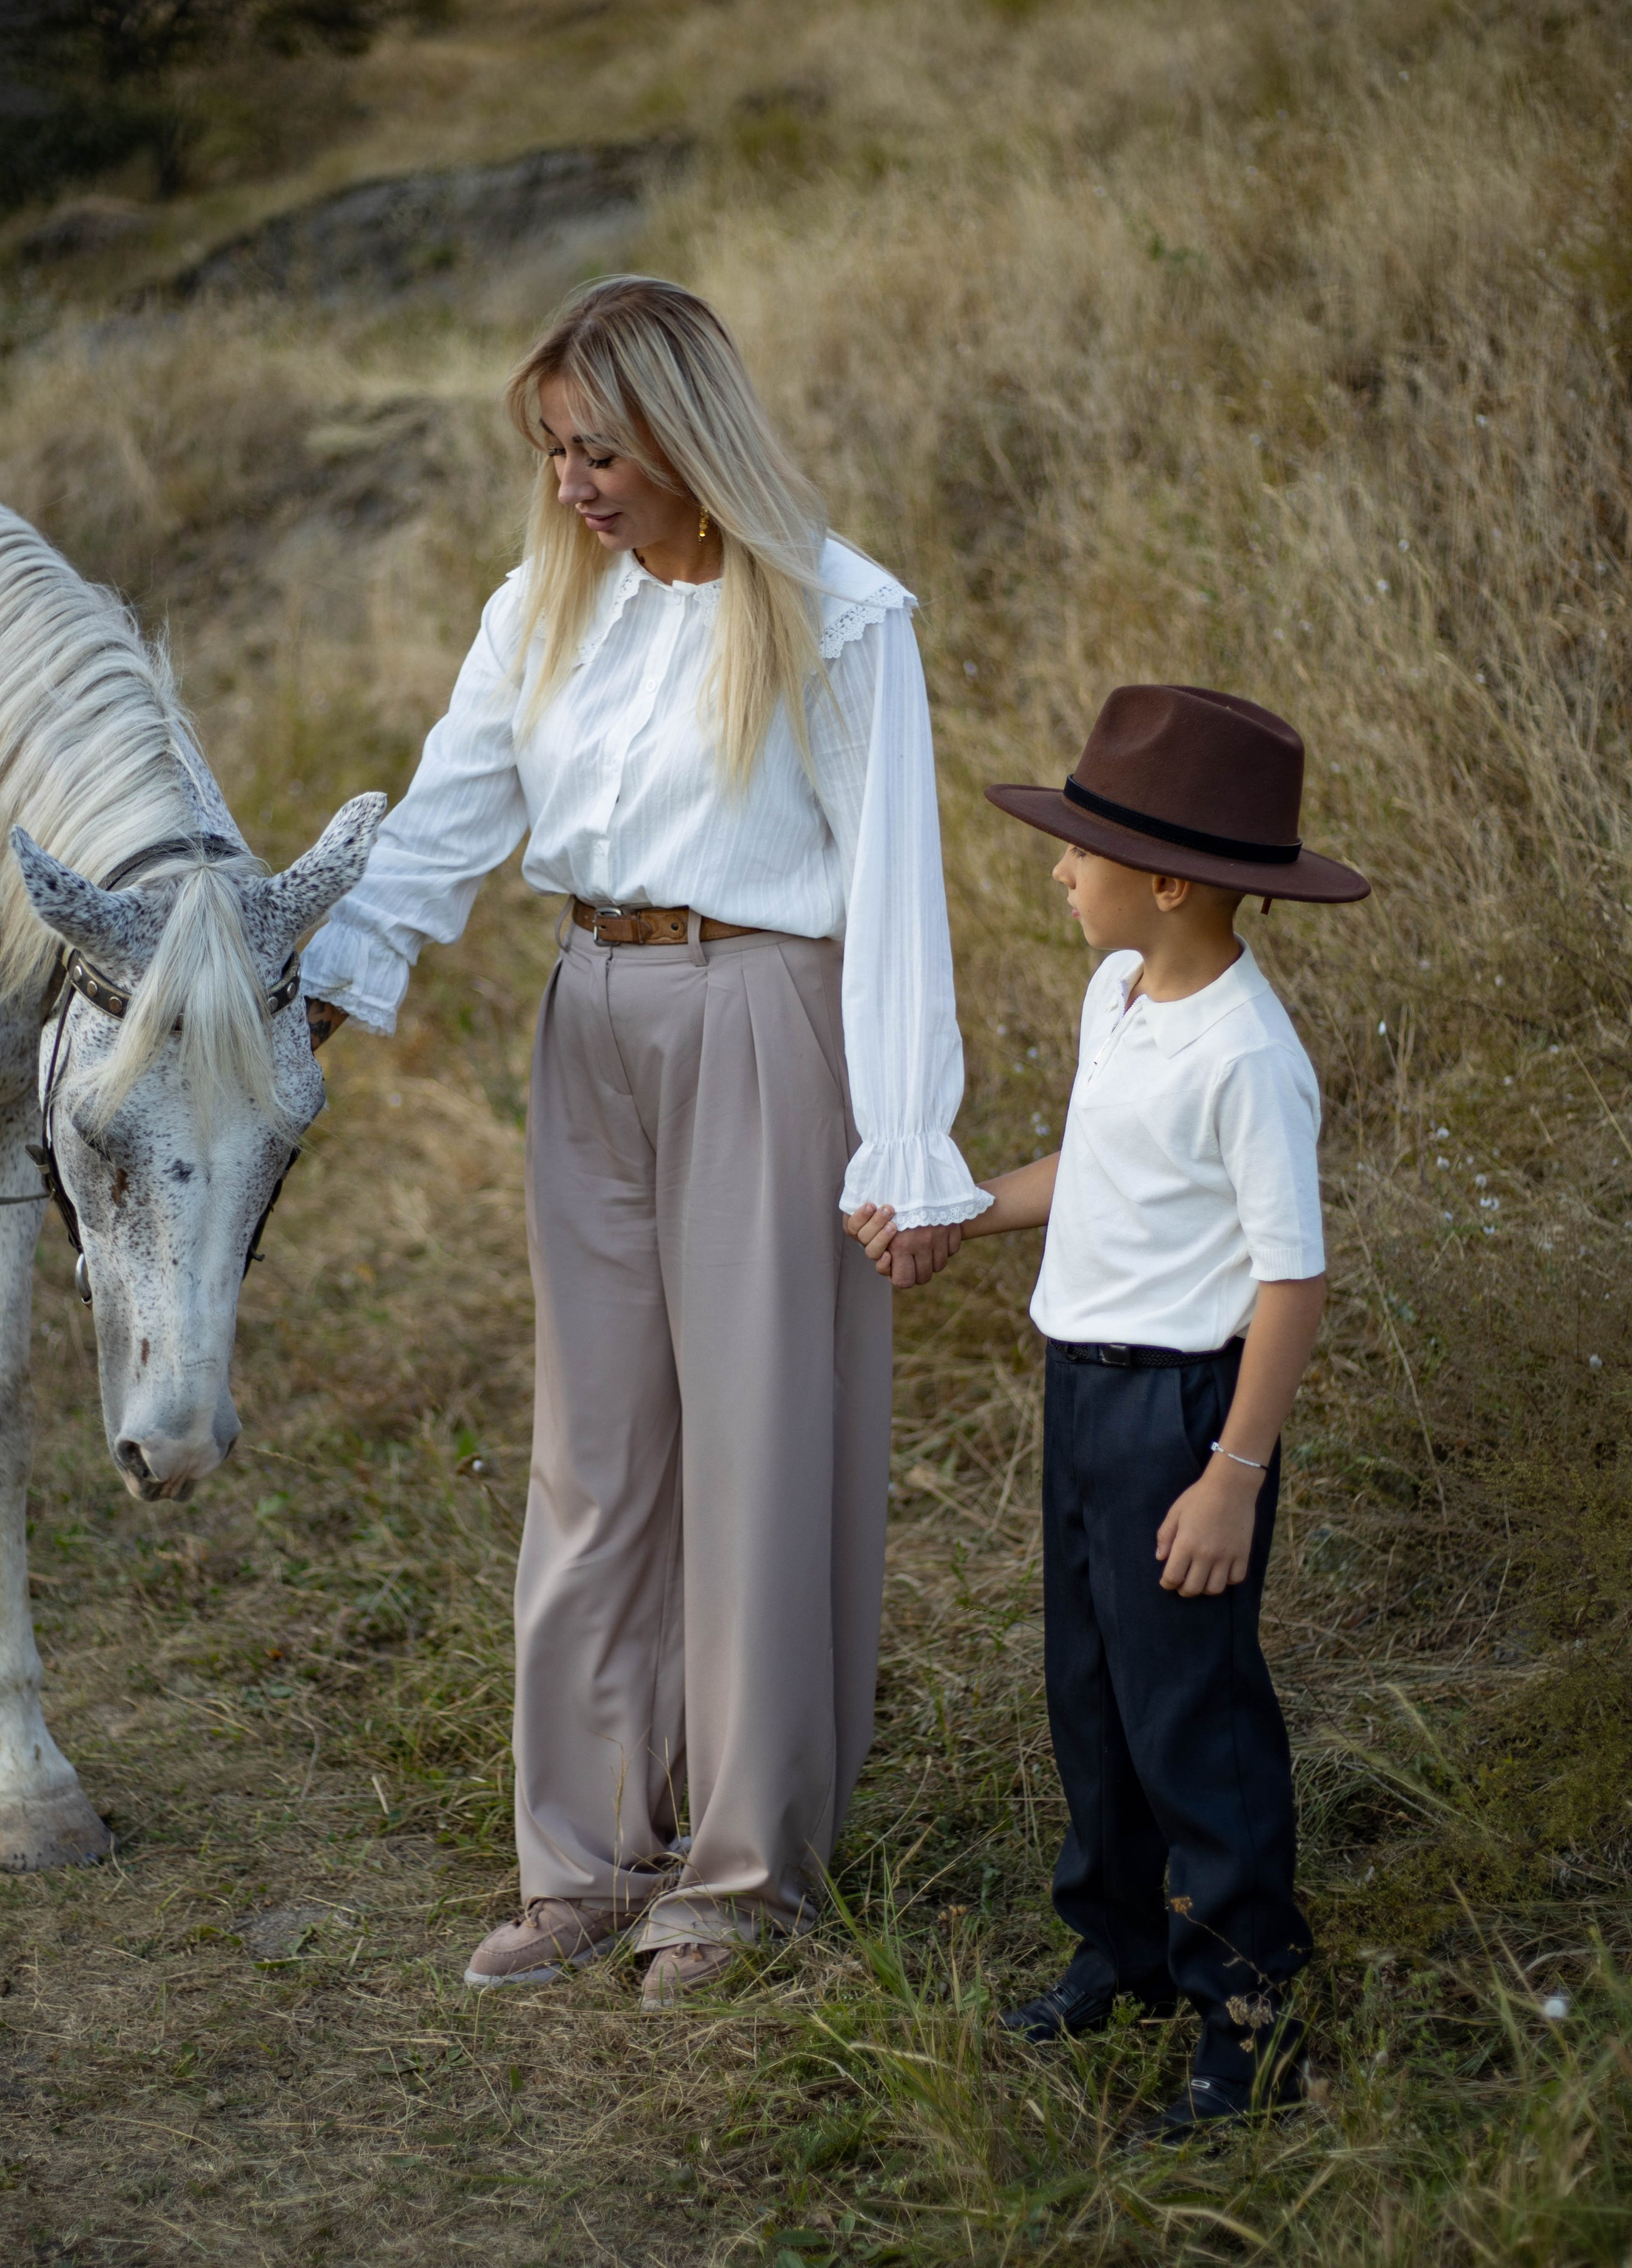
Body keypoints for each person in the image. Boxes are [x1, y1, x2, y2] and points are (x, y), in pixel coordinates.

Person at [302, 275, 990, 2009]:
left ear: (685, 435)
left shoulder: (838, 616)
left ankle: (746, 1870)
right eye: (549, 451)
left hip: (762, 1014)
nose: (569, 487)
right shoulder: (540, 611)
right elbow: (442, 825)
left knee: (758, 1438)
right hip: (585, 1013)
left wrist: (906, 1139)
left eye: (596, 450)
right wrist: (296, 987)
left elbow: (896, 887)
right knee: (592, 1449)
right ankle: (587, 1854)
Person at [848, 684, 1368, 2137]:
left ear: (1166, 880)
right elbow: (1089, 1175)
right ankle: (1118, 1955)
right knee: (1088, 1695)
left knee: (1186, 1717)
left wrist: (1230, 1475)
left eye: (1078, 850)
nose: (1055, 870)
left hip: (1183, 1416)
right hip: (1079, 1398)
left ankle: (1246, 2021)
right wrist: (955, 1211)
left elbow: (1290, 1282)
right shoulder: (1118, 995)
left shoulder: (1246, 1058)